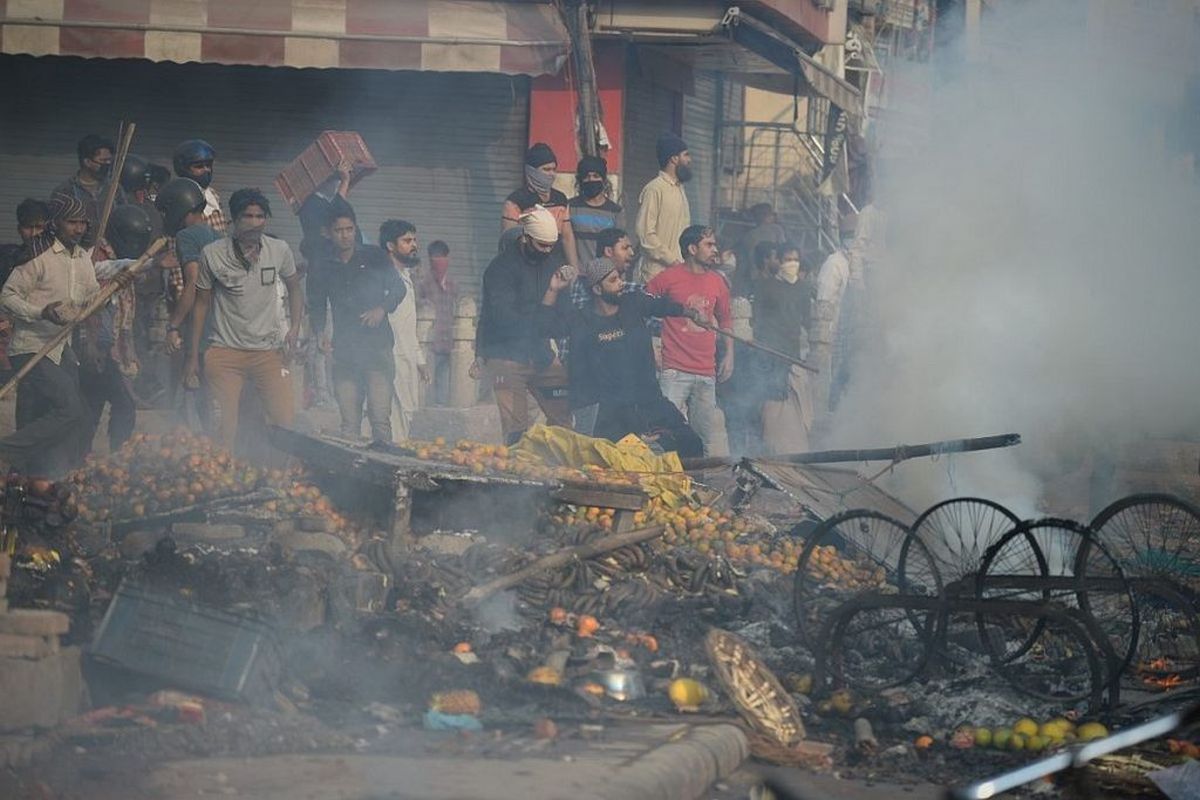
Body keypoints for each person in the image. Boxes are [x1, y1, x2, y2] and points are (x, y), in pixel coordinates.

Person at [0, 193, 131, 474]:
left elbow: (89, 300)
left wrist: (113, 288)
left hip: (62, 349)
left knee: (74, 415)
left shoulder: (81, 258)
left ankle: (51, 473)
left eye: (83, 223)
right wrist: (41, 312)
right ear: (56, 222)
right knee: (68, 409)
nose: (79, 228)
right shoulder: (37, 256)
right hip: (31, 346)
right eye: (72, 222)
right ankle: (8, 452)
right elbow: (7, 297)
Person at [537, 258, 702, 457]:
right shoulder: (581, 319)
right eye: (613, 280)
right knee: (626, 459)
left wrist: (692, 313)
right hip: (604, 411)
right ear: (597, 289)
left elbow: (663, 306)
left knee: (691, 444)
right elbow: (545, 327)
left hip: (648, 399)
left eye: (619, 278)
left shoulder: (634, 302)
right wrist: (553, 290)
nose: (621, 283)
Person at [186, 188, 303, 450]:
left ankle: (284, 482)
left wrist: (294, 327)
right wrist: (193, 357)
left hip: (270, 352)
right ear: (234, 219)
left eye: (260, 216)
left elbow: (295, 288)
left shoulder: (279, 250)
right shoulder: (212, 253)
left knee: (285, 422)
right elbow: (201, 305)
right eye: (247, 216)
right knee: (224, 429)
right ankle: (222, 481)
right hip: (224, 354)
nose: (254, 223)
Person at [477, 205, 572, 445]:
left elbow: (563, 316)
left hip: (541, 355)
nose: (547, 251)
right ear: (525, 238)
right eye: (541, 245)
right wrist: (548, 301)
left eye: (552, 245)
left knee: (564, 419)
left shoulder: (553, 264)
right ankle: (514, 479)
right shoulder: (500, 269)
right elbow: (505, 321)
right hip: (506, 357)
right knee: (516, 429)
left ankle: (559, 470)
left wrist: (551, 321)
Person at [307, 207, 402, 443]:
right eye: (339, 230)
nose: (345, 235)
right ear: (329, 233)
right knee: (349, 424)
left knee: (380, 419)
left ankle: (385, 473)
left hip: (377, 349)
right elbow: (317, 304)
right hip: (345, 352)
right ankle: (350, 479)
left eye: (349, 229)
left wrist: (381, 309)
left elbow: (399, 288)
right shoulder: (322, 265)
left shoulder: (374, 256)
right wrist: (319, 332)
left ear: (355, 229)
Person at [645, 225, 733, 457]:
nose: (715, 250)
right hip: (674, 370)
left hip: (706, 371)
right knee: (666, 436)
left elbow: (726, 320)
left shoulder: (718, 282)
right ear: (692, 249)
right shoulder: (669, 277)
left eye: (714, 245)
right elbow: (641, 306)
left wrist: (729, 355)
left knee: (704, 439)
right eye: (709, 245)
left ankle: (698, 486)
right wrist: (650, 346)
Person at [77, 205, 154, 454]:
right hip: (91, 343)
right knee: (121, 404)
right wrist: (151, 262)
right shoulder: (95, 257)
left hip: (105, 344)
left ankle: (84, 457)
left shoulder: (112, 256)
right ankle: (110, 455)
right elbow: (119, 270)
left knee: (95, 404)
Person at [158, 178, 218, 423]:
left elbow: (193, 282)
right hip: (221, 323)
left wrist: (173, 325)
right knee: (211, 390)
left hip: (200, 324)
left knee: (192, 386)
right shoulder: (216, 235)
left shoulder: (187, 236)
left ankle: (196, 444)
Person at [754, 242, 816, 454]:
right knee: (772, 404)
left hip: (793, 354)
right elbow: (758, 320)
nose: (793, 264)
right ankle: (772, 450)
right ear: (779, 261)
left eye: (796, 260)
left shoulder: (803, 288)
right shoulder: (765, 286)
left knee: (797, 406)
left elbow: (807, 320)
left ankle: (796, 451)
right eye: (788, 259)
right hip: (770, 354)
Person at [378, 219, 427, 441]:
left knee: (405, 419)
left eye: (414, 240)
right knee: (388, 418)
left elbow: (409, 325)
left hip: (406, 359)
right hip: (386, 359)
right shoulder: (381, 278)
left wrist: (420, 360)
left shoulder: (406, 277)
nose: (414, 245)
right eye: (407, 241)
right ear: (390, 246)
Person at [501, 143, 579, 267]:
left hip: (555, 265)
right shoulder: (516, 201)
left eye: (554, 169)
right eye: (546, 169)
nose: (551, 174)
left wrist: (574, 268)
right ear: (531, 171)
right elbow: (509, 240)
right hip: (526, 264)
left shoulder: (560, 199)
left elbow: (567, 237)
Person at [635, 132, 692, 282]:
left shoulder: (680, 189)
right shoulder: (654, 189)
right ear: (674, 158)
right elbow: (645, 234)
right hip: (656, 276)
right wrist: (672, 261)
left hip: (679, 274)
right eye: (686, 155)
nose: (689, 160)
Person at [53, 134, 124, 248]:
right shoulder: (65, 191)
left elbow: (124, 218)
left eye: (109, 161)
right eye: (103, 161)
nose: (107, 165)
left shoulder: (115, 188)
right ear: (87, 162)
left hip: (111, 254)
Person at [811, 233, 852, 416]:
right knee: (836, 376)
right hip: (835, 330)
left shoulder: (854, 265)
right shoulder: (835, 264)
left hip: (851, 330)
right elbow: (824, 301)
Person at [417, 240, 458, 406]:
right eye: (435, 258)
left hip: (448, 340)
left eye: (442, 257)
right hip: (429, 342)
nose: (439, 262)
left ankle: (440, 408)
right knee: (427, 379)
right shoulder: (423, 283)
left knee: (444, 379)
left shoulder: (453, 284)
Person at [567, 155, 622, 264]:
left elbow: (620, 246)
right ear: (580, 180)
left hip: (604, 276)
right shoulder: (570, 207)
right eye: (586, 176)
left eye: (596, 176)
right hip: (577, 275)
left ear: (603, 180)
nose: (591, 180)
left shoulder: (615, 211)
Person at [173, 139, 227, 233]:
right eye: (199, 166)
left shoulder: (212, 194)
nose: (206, 170)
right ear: (184, 169)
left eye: (208, 165)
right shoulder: (177, 197)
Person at [0, 199, 49, 287]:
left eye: (39, 227)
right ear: (19, 229)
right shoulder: (8, 258)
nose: (33, 233)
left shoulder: (59, 257)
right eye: (27, 227)